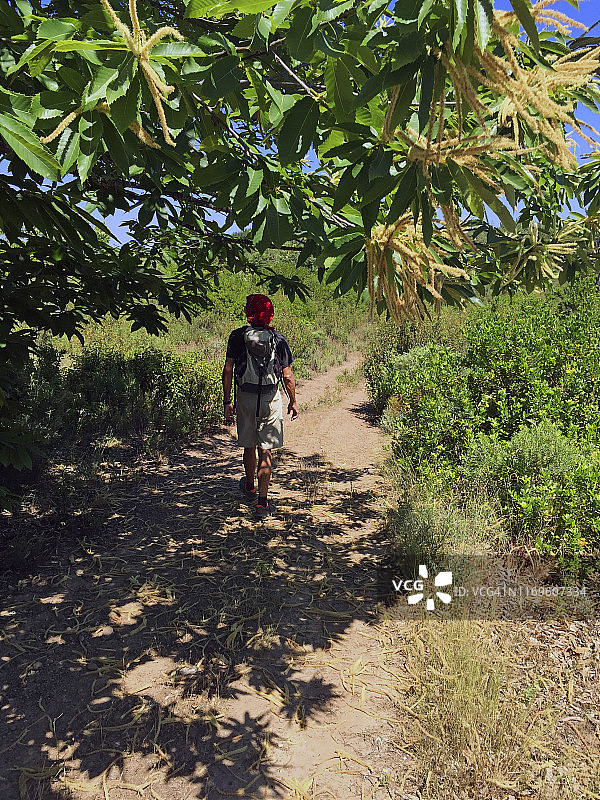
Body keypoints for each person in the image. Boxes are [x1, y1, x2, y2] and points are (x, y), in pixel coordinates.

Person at [222, 294, 298, 519]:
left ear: (249, 312)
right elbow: (288, 376)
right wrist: (293, 401)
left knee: (249, 446)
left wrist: (227, 402)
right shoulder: (278, 339)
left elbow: (228, 370)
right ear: (270, 314)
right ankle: (262, 504)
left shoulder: (237, 336)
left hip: (245, 397)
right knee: (266, 450)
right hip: (269, 398)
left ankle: (249, 486)